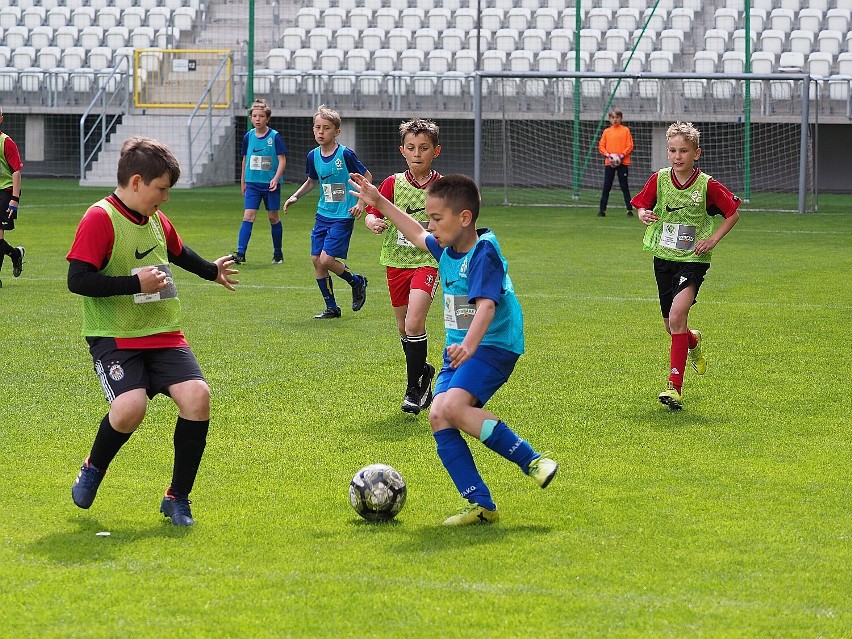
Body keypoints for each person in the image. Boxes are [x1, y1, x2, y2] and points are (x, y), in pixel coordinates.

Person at [350, 172, 558, 526]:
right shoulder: (446, 247)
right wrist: (380, 202)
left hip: (492, 346)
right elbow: (414, 233)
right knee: (438, 415)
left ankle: (532, 461)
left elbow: (487, 307)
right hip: (460, 349)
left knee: (451, 406)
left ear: (464, 218)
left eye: (436, 218)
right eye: (429, 218)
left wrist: (468, 345)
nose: (429, 226)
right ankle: (480, 505)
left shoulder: (484, 253)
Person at [66, 136, 239, 526]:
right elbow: (77, 279)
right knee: (130, 407)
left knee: (198, 398)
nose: (165, 197)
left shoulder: (156, 219)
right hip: (115, 336)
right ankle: (94, 467)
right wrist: (135, 285)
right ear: (138, 182)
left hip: (163, 332)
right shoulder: (100, 218)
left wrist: (212, 272)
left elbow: (178, 252)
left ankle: (177, 498)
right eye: (161, 189)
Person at [632, 121, 740, 410]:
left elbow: (732, 214)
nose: (677, 156)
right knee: (672, 325)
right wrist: (643, 214)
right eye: (672, 150)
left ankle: (674, 387)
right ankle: (693, 341)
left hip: (693, 260)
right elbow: (641, 204)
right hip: (664, 257)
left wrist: (713, 240)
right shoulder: (660, 179)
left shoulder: (707, 185)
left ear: (696, 153)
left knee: (678, 314)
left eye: (683, 151)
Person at [364, 118, 442, 415]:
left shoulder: (442, 187)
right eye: (411, 148)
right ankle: (423, 374)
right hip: (396, 261)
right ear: (402, 151)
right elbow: (373, 211)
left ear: (436, 151)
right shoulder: (392, 183)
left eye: (424, 148)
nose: (417, 153)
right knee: (402, 327)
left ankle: (412, 390)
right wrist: (372, 220)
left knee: (413, 323)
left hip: (428, 261)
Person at [283, 106, 372, 319]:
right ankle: (332, 308)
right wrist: (296, 196)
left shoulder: (345, 154)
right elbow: (312, 181)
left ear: (336, 132)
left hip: (342, 215)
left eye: (326, 128)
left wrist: (360, 203)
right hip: (323, 214)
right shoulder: (312, 155)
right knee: (316, 259)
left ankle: (357, 281)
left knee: (326, 259)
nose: (320, 132)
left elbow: (366, 177)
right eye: (317, 127)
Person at [232, 98, 288, 265]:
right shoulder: (248, 136)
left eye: (261, 116)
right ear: (251, 118)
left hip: (270, 185)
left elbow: (282, 160)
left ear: (267, 118)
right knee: (248, 216)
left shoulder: (275, 137)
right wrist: (243, 181)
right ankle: (241, 253)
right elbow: (245, 159)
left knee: (273, 218)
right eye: (254, 116)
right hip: (252, 184)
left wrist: (276, 179)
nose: (257, 119)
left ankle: (278, 253)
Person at [0, 107, 25, 286]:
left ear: (1, 119)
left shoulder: (6, 142)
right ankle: (15, 254)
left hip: (6, 191)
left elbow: (16, 171)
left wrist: (14, 200)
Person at [597, 109, 634, 218]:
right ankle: (602, 210)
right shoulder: (606, 132)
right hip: (610, 163)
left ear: (621, 118)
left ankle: (629, 209)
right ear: (609, 119)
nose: (615, 119)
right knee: (607, 186)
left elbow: (630, 145)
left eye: (617, 117)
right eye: (613, 117)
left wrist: (621, 155)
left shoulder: (625, 130)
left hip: (623, 163)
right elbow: (601, 146)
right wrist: (609, 156)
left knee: (624, 186)